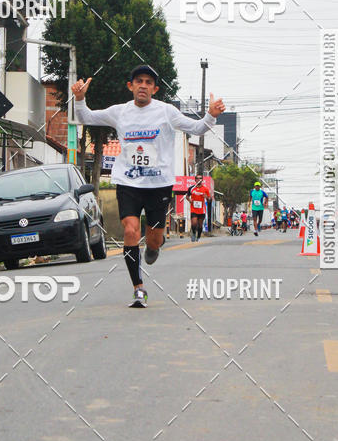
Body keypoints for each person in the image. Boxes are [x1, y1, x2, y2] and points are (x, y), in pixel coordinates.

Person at [71, 65, 225, 308]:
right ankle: (138, 288)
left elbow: (196, 128)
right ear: (130, 86)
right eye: (138, 81)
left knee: (153, 240)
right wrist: (80, 99)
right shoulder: (119, 112)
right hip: (127, 182)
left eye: (148, 82)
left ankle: (155, 245)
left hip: (159, 185)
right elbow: (86, 117)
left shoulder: (166, 112)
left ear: (155, 88)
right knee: (131, 231)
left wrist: (211, 115)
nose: (143, 85)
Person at [186, 175, 211, 242]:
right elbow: (187, 196)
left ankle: (198, 236)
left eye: (200, 178)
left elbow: (209, 200)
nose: (199, 179)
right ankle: (193, 233)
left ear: (202, 180)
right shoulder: (191, 188)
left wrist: (206, 197)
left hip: (202, 210)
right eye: (197, 178)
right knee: (194, 223)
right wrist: (189, 200)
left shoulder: (205, 189)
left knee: (200, 225)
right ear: (195, 180)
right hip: (193, 209)